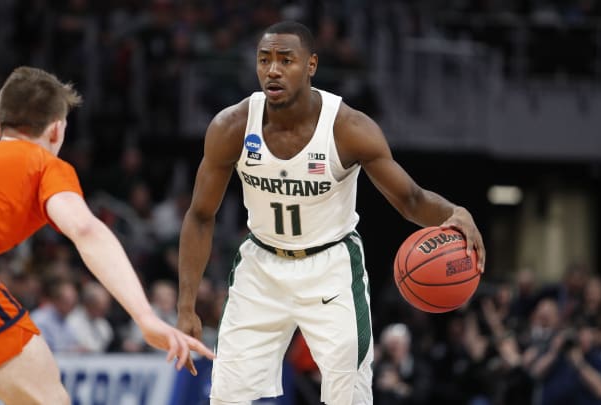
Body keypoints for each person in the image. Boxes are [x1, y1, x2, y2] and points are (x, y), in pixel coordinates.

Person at [176, 21, 485, 405]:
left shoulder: (348, 128)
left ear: (311, 66)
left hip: (330, 267)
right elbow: (200, 216)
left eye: (286, 60)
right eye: (264, 59)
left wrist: (455, 212)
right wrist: (186, 304)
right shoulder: (232, 127)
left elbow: (410, 199)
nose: (272, 69)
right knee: (225, 397)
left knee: (348, 396)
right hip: (261, 263)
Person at [0, 66, 214, 405]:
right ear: (57, 131)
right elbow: (84, 228)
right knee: (46, 396)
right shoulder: (43, 164)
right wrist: (145, 317)